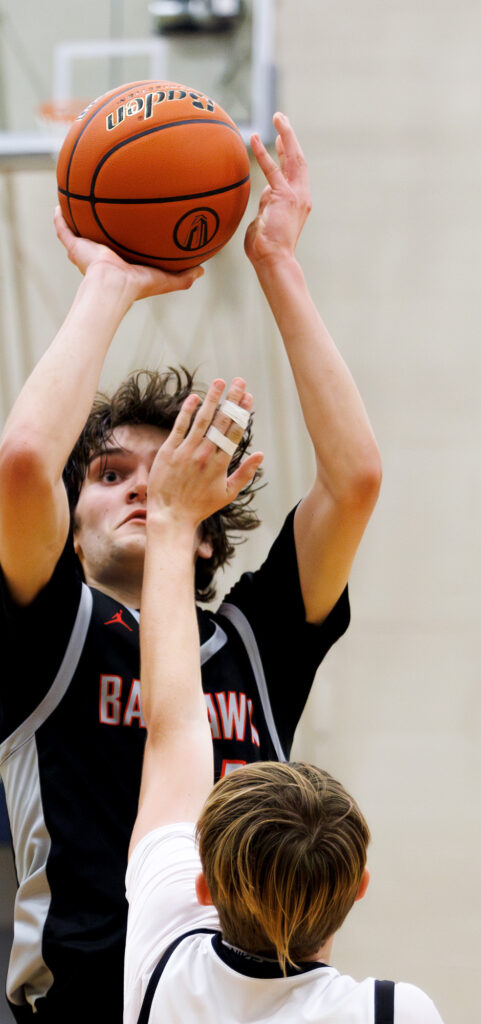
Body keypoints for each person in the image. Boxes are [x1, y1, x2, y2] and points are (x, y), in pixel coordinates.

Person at [0, 113, 381, 1022]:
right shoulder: (48, 628)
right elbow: (20, 463)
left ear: (204, 526)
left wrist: (277, 264)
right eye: (107, 474)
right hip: (85, 1000)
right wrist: (109, 283)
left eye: (159, 477)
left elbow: (353, 480)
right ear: (71, 522)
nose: (136, 490)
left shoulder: (253, 641)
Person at [124, 376, 443, 1023]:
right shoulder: (392, 1011)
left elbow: (177, 724)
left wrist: (171, 515)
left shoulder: (164, 964)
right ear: (357, 890)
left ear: (203, 888)